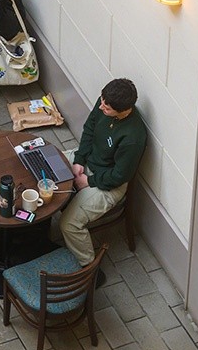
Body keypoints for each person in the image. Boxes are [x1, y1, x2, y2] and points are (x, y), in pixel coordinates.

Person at [59, 78, 147, 269]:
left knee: (69, 225)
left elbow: (119, 176)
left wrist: (88, 181)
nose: (101, 107)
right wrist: (79, 160)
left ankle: (88, 268)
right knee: (47, 166)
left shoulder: (133, 137)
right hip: (88, 162)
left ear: (123, 110)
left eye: (107, 108)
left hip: (108, 183)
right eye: (102, 101)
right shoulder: (105, 104)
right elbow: (89, 129)